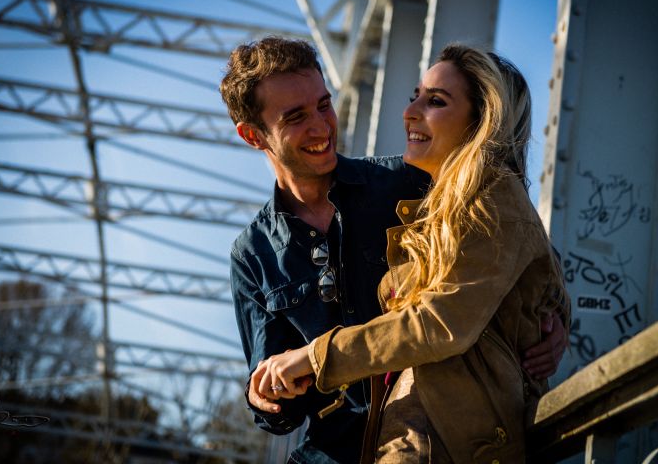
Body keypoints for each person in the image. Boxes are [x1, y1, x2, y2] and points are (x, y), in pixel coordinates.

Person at [221, 37, 567, 463]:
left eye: (324, 105)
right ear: (253, 136)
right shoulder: (252, 254)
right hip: (337, 452)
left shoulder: (413, 181)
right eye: (296, 116)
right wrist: (266, 395)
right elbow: (278, 409)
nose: (321, 126)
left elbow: (523, 257)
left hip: (425, 435)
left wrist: (552, 320)